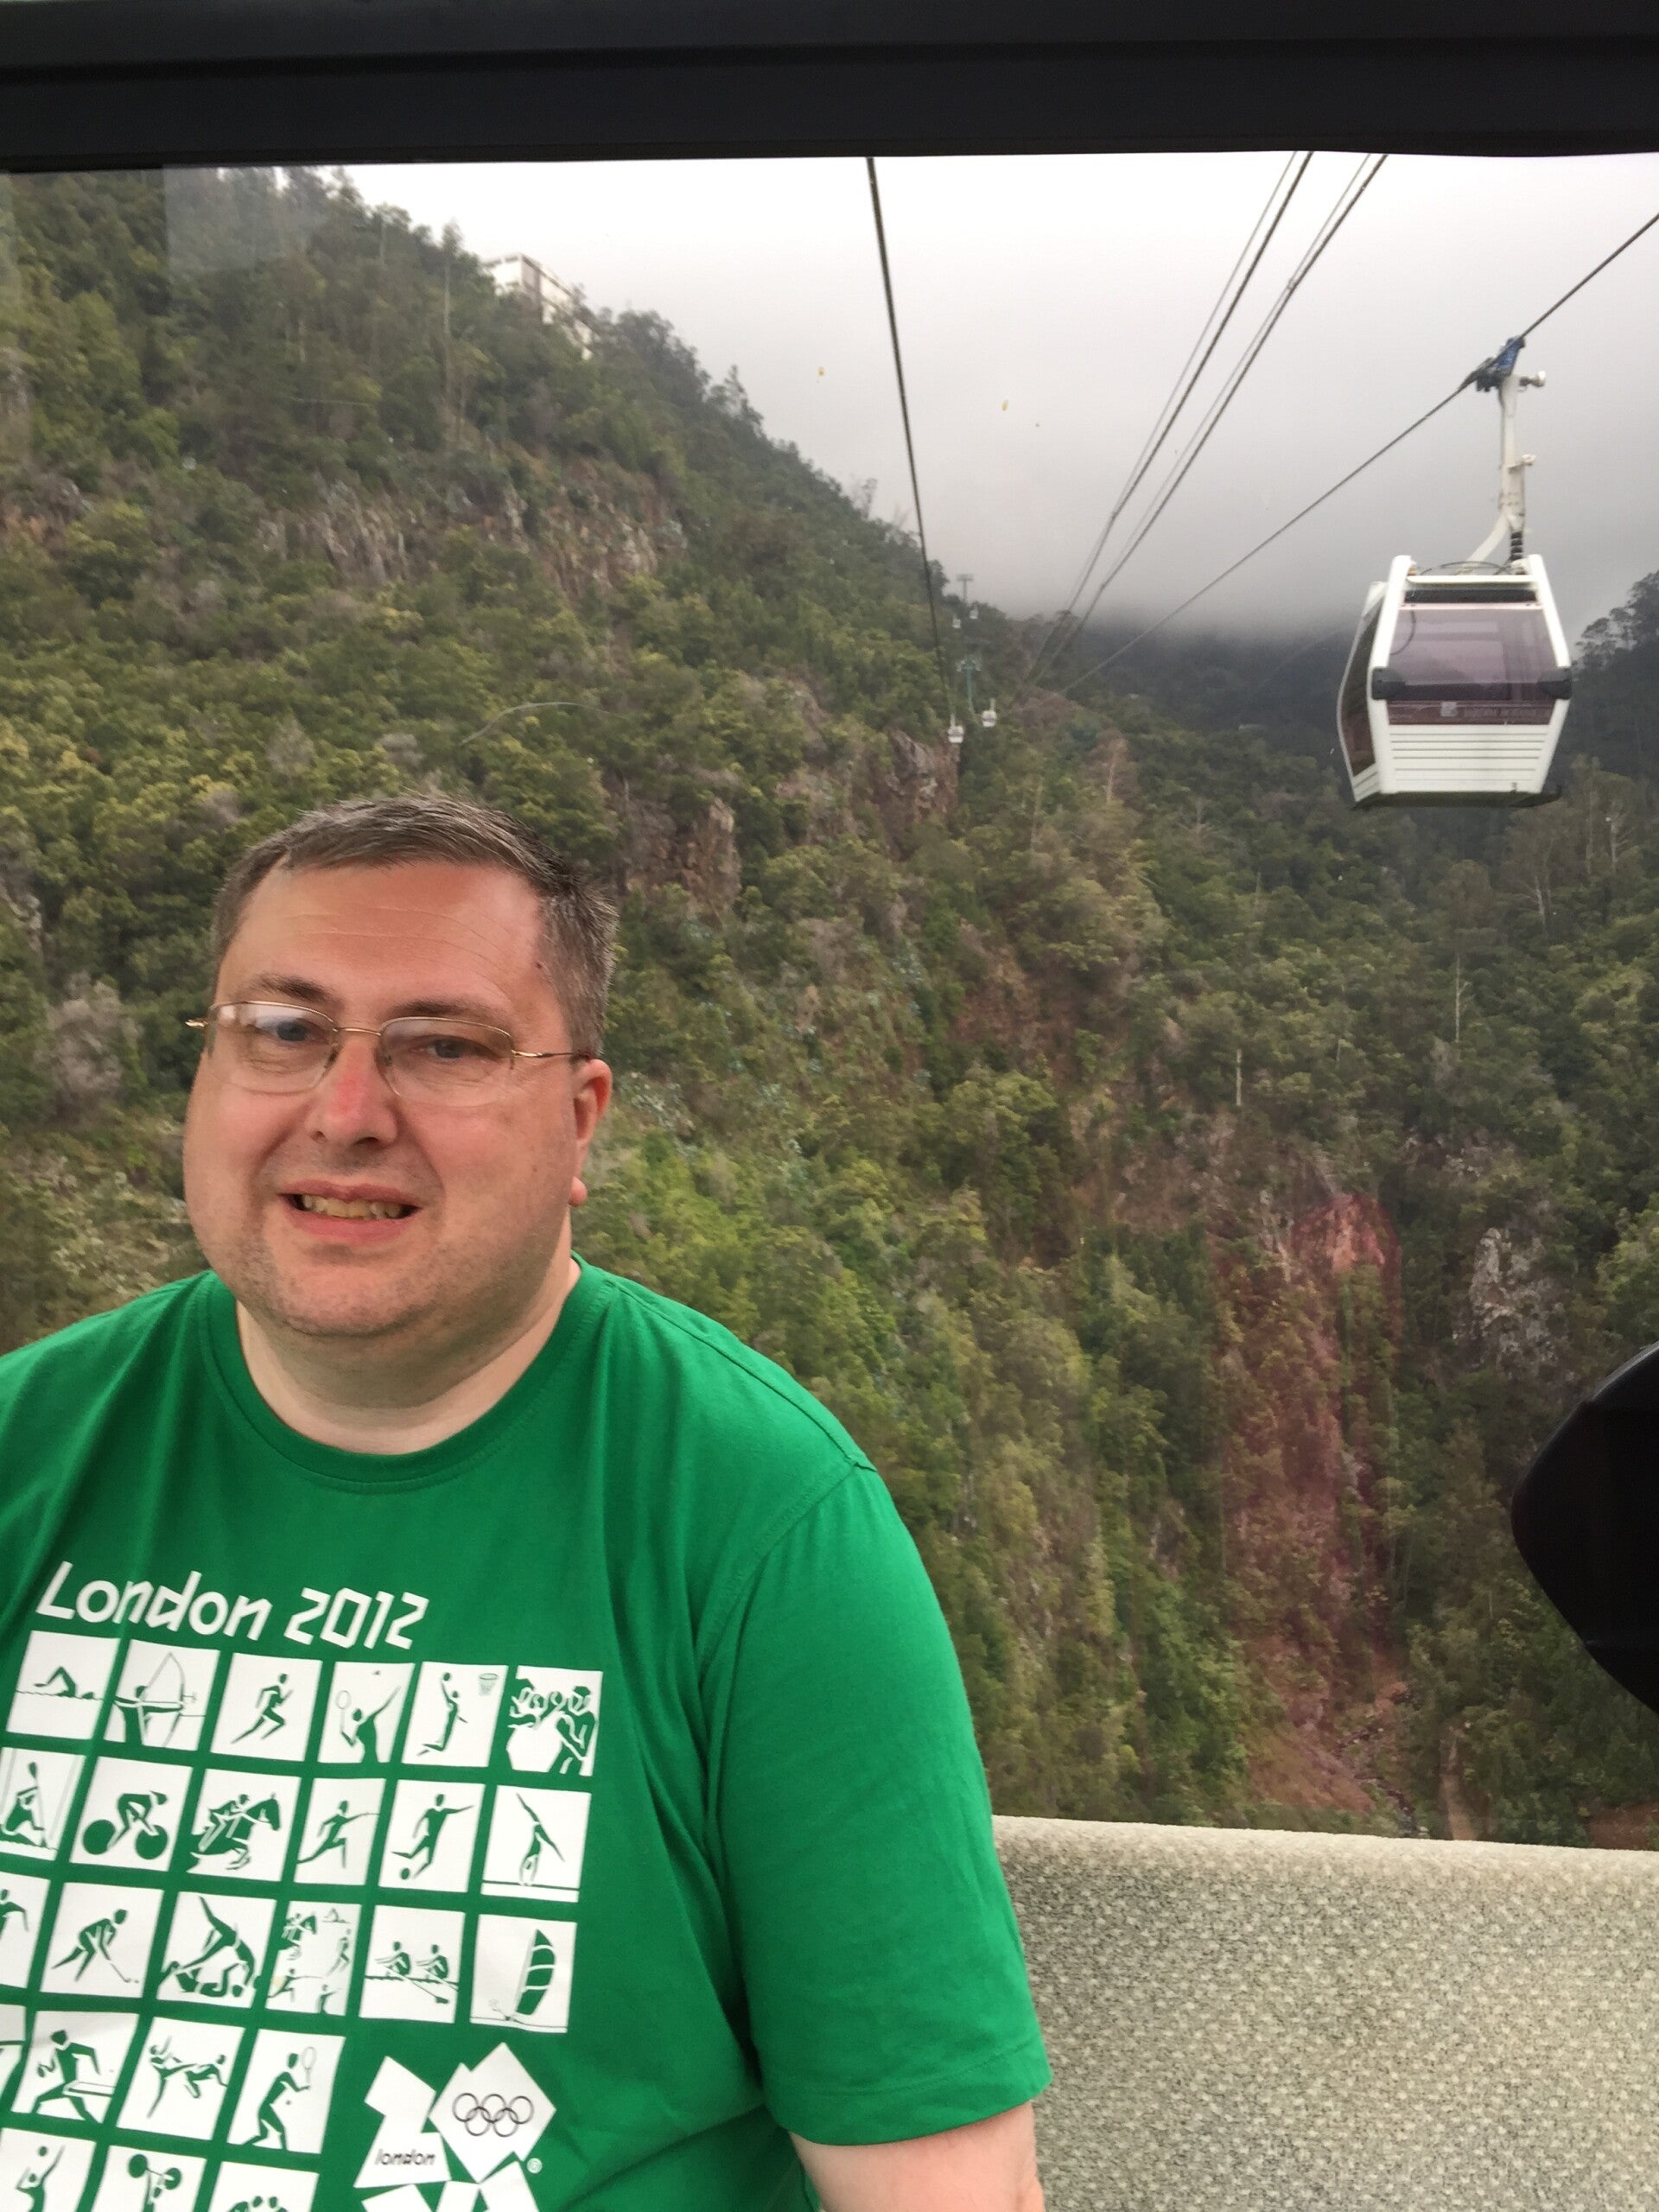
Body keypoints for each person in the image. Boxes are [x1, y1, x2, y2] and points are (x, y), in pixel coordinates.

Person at [0, 795, 1048, 2210]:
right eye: (285, 1030)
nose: (347, 1114)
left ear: (579, 1120)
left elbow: (943, 2184)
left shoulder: (763, 1524)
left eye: (445, 1046)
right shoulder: (30, 1449)